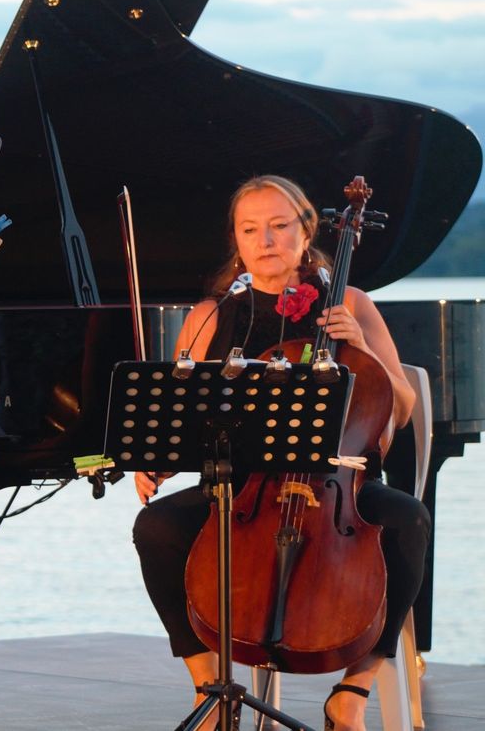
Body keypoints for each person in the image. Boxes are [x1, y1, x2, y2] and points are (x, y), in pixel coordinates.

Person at [131, 175, 430, 731]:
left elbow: (404, 407)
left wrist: (360, 346)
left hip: (338, 487)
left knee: (409, 520)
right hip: (240, 491)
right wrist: (158, 459)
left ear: (305, 230)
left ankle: (353, 691)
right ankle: (209, 690)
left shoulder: (351, 303)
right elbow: (183, 414)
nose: (265, 239)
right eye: (250, 229)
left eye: (278, 225)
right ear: (236, 240)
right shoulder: (210, 316)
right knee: (155, 528)